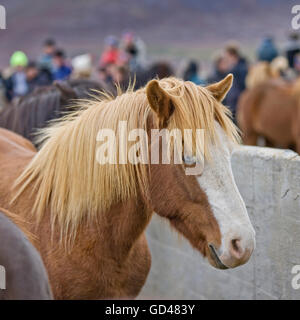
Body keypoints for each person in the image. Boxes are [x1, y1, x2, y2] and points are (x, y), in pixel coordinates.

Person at [223, 44, 248, 121]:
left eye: (227, 57)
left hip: (238, 106)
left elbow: (243, 87)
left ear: (232, 55)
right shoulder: (237, 68)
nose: (226, 59)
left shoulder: (240, 69)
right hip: (234, 106)